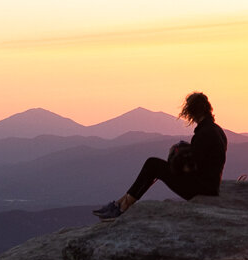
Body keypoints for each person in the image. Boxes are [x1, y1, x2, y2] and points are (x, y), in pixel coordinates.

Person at [92, 92, 227, 219]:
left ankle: (123, 206)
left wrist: (175, 156)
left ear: (192, 111)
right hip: (210, 187)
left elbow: (192, 167)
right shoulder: (216, 130)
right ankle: (121, 203)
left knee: (153, 165)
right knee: (154, 165)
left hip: (200, 189)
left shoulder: (205, 133)